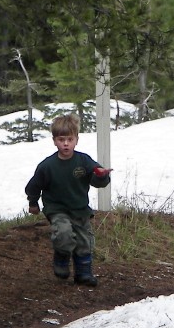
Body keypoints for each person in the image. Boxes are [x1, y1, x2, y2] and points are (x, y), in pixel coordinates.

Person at [25, 113, 111, 286]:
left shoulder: (83, 160)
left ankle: (83, 274)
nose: (65, 143)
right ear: (54, 141)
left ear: (76, 140)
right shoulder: (47, 166)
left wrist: (102, 176)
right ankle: (61, 258)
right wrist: (33, 202)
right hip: (57, 209)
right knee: (63, 234)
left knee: (84, 241)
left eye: (69, 139)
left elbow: (97, 181)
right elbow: (33, 186)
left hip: (80, 209)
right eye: (61, 139)